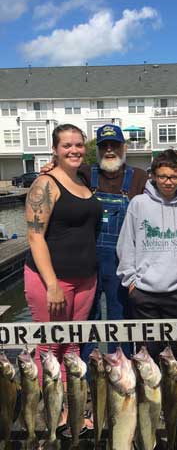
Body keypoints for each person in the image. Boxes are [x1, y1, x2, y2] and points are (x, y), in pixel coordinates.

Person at [43, 124, 148, 359]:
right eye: (104, 146)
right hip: (87, 261)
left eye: (115, 145)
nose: (110, 150)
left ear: (124, 147)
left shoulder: (139, 177)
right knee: (87, 318)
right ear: (98, 150)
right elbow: (57, 178)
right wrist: (50, 168)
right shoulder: (83, 173)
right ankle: (86, 376)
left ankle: (122, 378)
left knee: (119, 318)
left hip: (123, 262)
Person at [25, 124, 103, 426]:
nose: (74, 150)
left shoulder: (83, 179)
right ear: (55, 149)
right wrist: (52, 284)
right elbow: (35, 237)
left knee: (72, 346)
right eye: (67, 145)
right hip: (52, 281)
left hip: (86, 279)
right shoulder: (45, 184)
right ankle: (50, 413)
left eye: (79, 145)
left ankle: (72, 409)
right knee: (49, 348)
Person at [116, 149, 177, 359]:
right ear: (154, 176)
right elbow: (126, 244)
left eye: (174, 177)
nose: (168, 182)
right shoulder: (138, 203)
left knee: (176, 353)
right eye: (163, 176)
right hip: (144, 291)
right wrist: (131, 281)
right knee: (147, 353)